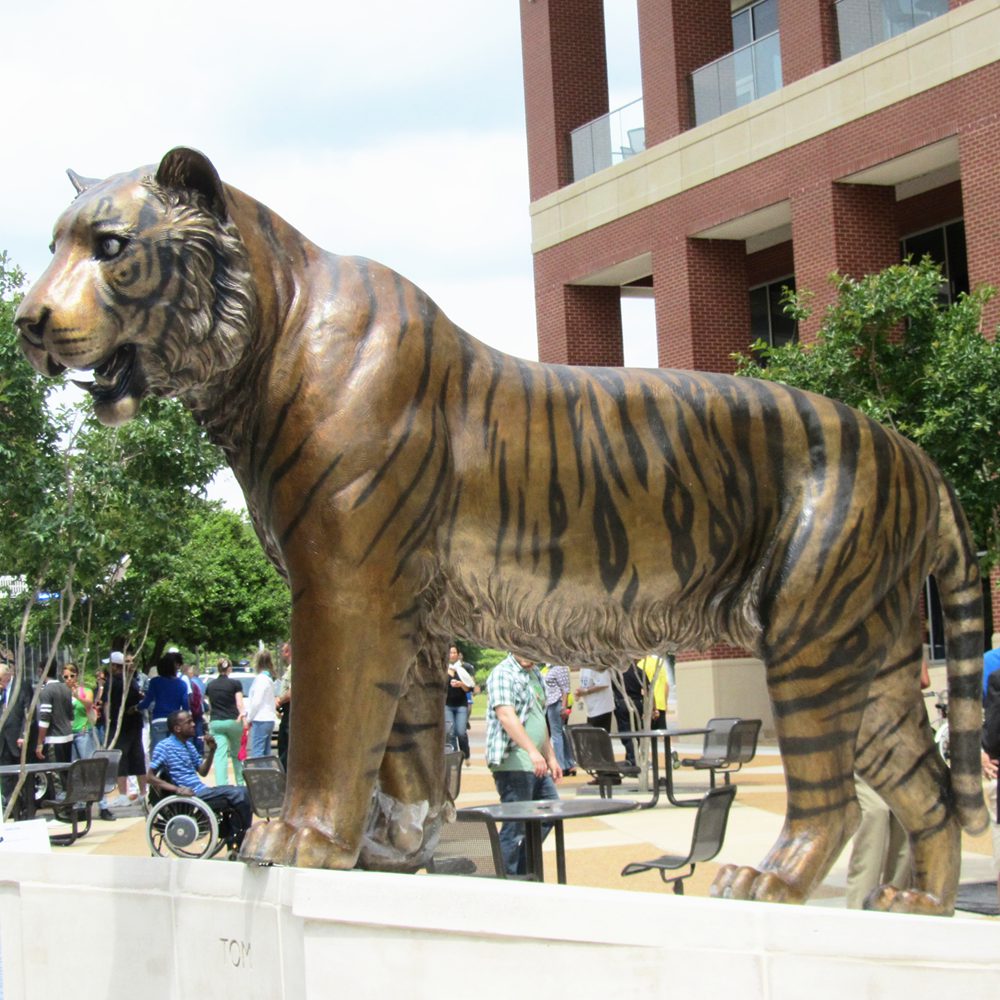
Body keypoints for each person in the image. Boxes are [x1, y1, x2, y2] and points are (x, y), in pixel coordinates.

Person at [485, 652, 562, 875]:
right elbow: (506, 716)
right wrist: (531, 751)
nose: (530, 655)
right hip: (514, 762)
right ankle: (502, 877)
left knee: (550, 813)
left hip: (536, 762)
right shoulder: (503, 673)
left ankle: (521, 872)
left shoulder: (535, 673)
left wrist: (551, 756)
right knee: (515, 825)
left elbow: (539, 716)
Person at [147, 710, 253, 850]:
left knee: (245, 791)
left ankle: (236, 839)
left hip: (201, 790)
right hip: (191, 795)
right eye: (188, 722)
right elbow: (149, 777)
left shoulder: (188, 745)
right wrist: (177, 789)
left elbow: (202, 772)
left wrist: (212, 750)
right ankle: (239, 841)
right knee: (238, 795)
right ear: (177, 728)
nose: (193, 724)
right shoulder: (164, 746)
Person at [104, 651, 148, 804]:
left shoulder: (113, 682)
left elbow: (107, 705)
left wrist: (107, 720)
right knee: (138, 756)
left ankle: (123, 794)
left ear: (115, 666)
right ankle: (143, 792)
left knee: (121, 757)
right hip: (134, 724)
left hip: (120, 726)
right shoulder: (132, 681)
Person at [205, 658, 246, 786]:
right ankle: (241, 782)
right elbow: (239, 704)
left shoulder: (210, 685)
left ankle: (222, 785)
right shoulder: (235, 684)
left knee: (220, 755)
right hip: (233, 721)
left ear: (218, 669)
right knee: (237, 753)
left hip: (216, 722)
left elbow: (210, 706)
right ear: (230, 669)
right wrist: (243, 718)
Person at [138, 651, 190, 751]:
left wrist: (136, 707)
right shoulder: (182, 684)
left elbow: (147, 702)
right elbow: (186, 707)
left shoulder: (155, 682)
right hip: (175, 722)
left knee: (159, 753)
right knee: (175, 753)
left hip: (158, 720)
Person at [0, 664, 30, 815]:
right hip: (2, 740)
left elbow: (27, 713)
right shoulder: (1, 690)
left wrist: (23, 735)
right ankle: (8, 807)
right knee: (5, 774)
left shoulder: (21, 686)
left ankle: (24, 805)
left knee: (20, 773)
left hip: (16, 738)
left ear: (7, 675)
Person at [35, 666, 74, 764]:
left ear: (42, 672)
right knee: (67, 771)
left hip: (54, 738)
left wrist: (40, 743)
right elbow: (71, 716)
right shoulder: (66, 688)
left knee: (56, 773)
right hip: (68, 736)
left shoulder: (47, 691)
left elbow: (45, 719)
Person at [543, 663, 575, 775]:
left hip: (556, 703)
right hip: (551, 703)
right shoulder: (549, 668)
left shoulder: (560, 667)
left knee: (557, 735)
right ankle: (569, 764)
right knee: (561, 734)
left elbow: (565, 689)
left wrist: (564, 707)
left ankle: (561, 766)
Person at [245, 649, 277, 759]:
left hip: (260, 719)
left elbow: (256, 702)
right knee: (266, 752)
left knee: (257, 752)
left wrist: (249, 718)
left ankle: (259, 774)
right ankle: (266, 774)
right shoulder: (269, 679)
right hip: (269, 719)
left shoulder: (260, 679)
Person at [444, 645, 475, 759]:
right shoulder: (443, 668)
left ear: (458, 654)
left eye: (454, 653)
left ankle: (465, 754)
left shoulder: (464, 668)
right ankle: (454, 757)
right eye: (450, 653)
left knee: (461, 732)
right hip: (447, 704)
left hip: (461, 704)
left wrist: (461, 684)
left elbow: (470, 687)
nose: (452, 655)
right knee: (450, 732)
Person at [64, 662, 95, 761]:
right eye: (66, 677)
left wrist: (78, 697)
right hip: (68, 734)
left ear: (76, 676)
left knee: (87, 764)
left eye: (72, 676)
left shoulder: (86, 691)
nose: (69, 679)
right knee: (74, 767)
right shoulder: (63, 692)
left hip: (83, 732)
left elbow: (89, 704)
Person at [575, 667, 614, 731]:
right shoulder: (583, 668)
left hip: (601, 709)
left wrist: (586, 691)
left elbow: (603, 684)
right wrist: (579, 693)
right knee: (592, 737)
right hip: (591, 709)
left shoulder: (597, 665)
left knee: (599, 738)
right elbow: (585, 684)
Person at [638, 654, 670, 730]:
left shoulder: (640, 665)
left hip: (649, 704)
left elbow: (643, 688)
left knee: (650, 735)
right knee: (663, 732)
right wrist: (665, 703)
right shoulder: (660, 663)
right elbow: (666, 685)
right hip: (661, 704)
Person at [275, 641, 292, 770]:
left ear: (287, 652)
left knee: (286, 753)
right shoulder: (290, 669)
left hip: (290, 717)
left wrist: (280, 700)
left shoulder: (294, 669)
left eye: (283, 650)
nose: (281, 654)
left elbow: (292, 692)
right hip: (286, 713)